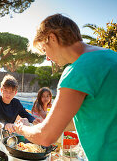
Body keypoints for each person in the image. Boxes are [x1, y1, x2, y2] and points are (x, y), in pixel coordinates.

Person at [14, 14, 117, 160]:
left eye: (44, 50)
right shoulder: (111, 56)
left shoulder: (77, 70)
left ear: (52, 38)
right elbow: (100, 116)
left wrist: (22, 129)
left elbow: (46, 137)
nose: (48, 58)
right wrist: (46, 124)